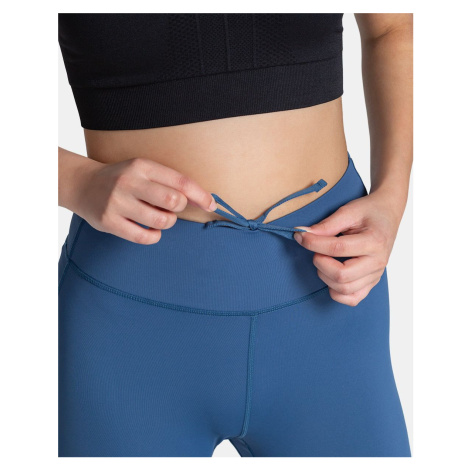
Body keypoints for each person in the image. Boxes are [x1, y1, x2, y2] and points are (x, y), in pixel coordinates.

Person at [58, 13, 412, 457]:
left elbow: (392, 28)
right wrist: (72, 180)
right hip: (128, 327)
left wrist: (392, 197)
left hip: (336, 294)